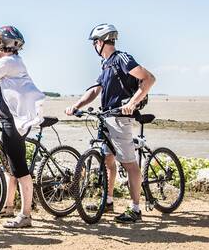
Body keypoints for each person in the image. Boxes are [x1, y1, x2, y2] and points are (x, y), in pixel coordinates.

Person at [65, 24, 156, 223]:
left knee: (129, 163)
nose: (93, 47)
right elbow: (95, 90)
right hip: (106, 117)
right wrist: (76, 105)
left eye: (94, 42)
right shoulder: (105, 64)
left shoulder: (122, 58)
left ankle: (135, 209)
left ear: (101, 42)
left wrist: (132, 103)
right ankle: (108, 201)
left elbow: (148, 79)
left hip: (121, 117)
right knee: (107, 160)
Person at [0, 25, 45, 228]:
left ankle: (25, 216)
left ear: (2, 43)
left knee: (19, 168)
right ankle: (8, 207)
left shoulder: (7, 62)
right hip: (10, 117)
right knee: (9, 166)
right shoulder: (15, 61)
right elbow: (8, 90)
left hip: (13, 121)